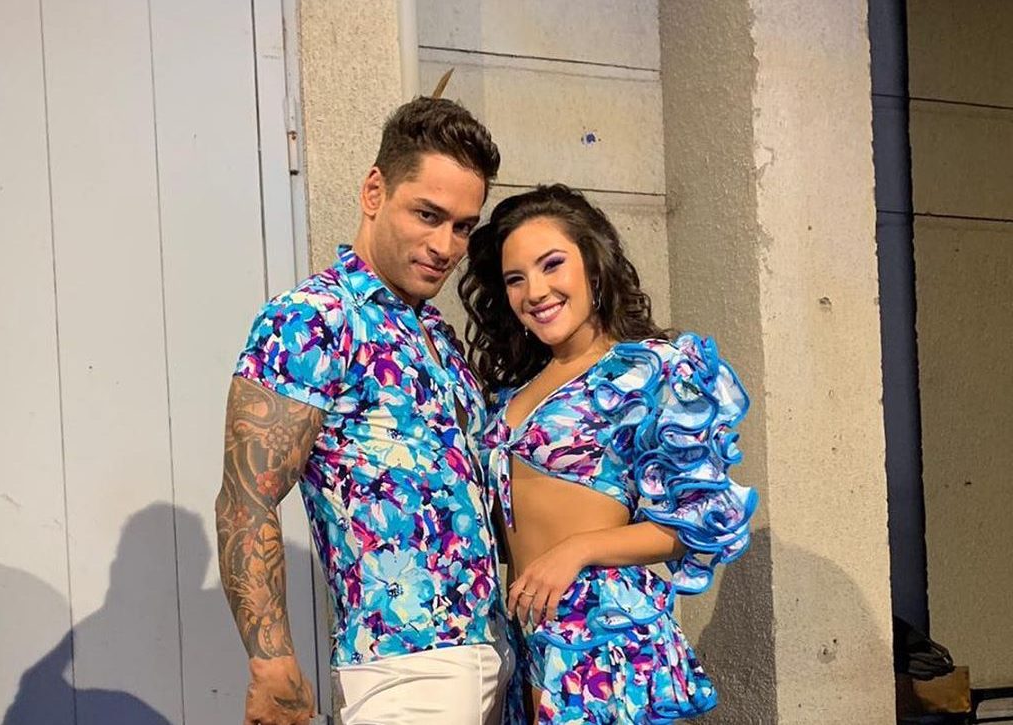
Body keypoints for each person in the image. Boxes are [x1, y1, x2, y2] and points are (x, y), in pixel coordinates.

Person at [216, 96, 519, 725]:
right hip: (406, 668)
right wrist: (272, 664)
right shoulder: (312, 319)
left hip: (493, 655)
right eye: (428, 215)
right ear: (374, 191)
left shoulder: (435, 332)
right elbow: (246, 500)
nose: (445, 245)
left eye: (462, 227)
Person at [459, 184, 758, 724]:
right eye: (515, 278)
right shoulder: (513, 391)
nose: (535, 291)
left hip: (605, 639)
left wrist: (576, 550)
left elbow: (696, 525)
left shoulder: (652, 371)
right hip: (527, 642)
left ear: (594, 268)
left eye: (552, 264)